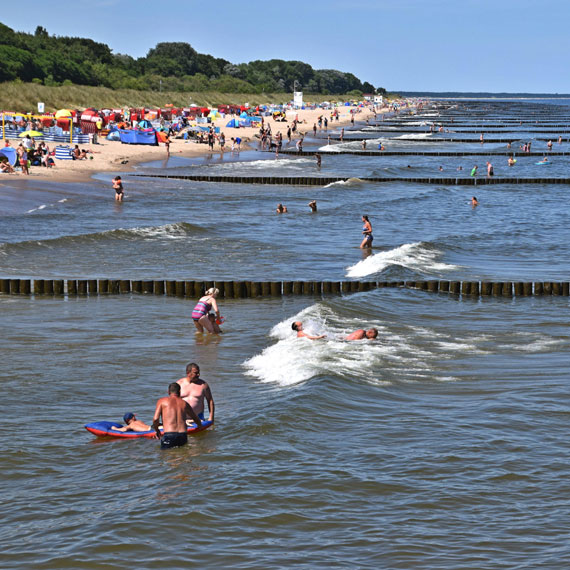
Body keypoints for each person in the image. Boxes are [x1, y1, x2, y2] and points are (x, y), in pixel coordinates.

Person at [152, 382, 202, 449]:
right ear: (179, 392)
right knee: (182, 456)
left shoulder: (162, 401)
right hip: (183, 435)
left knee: (167, 457)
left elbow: (155, 419)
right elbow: (196, 418)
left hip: (169, 435)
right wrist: (200, 426)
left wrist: (157, 430)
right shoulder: (184, 403)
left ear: (168, 392)